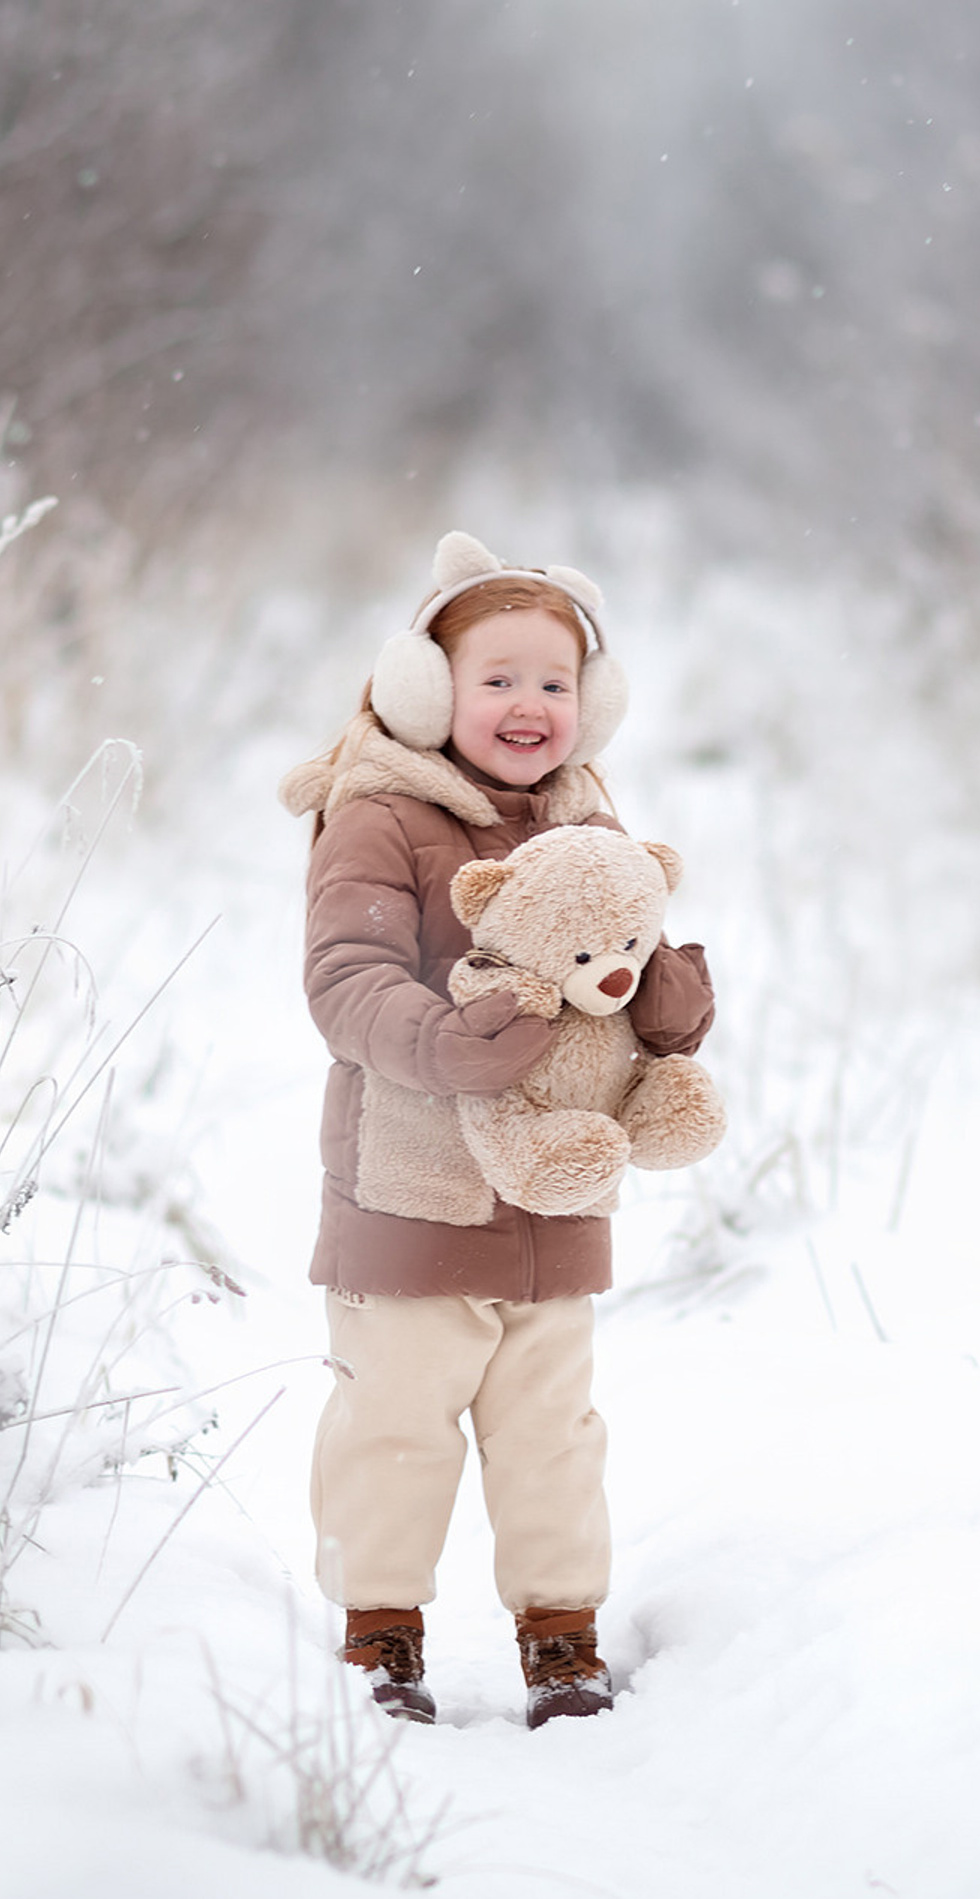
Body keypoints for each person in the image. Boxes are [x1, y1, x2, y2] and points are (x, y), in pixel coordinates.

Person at [278, 531, 715, 1729]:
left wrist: (674, 999)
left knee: (553, 1435)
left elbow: (626, 962)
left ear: (593, 702)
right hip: (412, 1195)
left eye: (557, 683)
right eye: (499, 679)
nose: (531, 706)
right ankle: (381, 1633)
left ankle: (560, 1632)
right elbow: (346, 976)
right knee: (398, 1426)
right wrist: (439, 1037)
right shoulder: (380, 818)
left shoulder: (592, 820)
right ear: (429, 689)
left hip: (557, 1202)